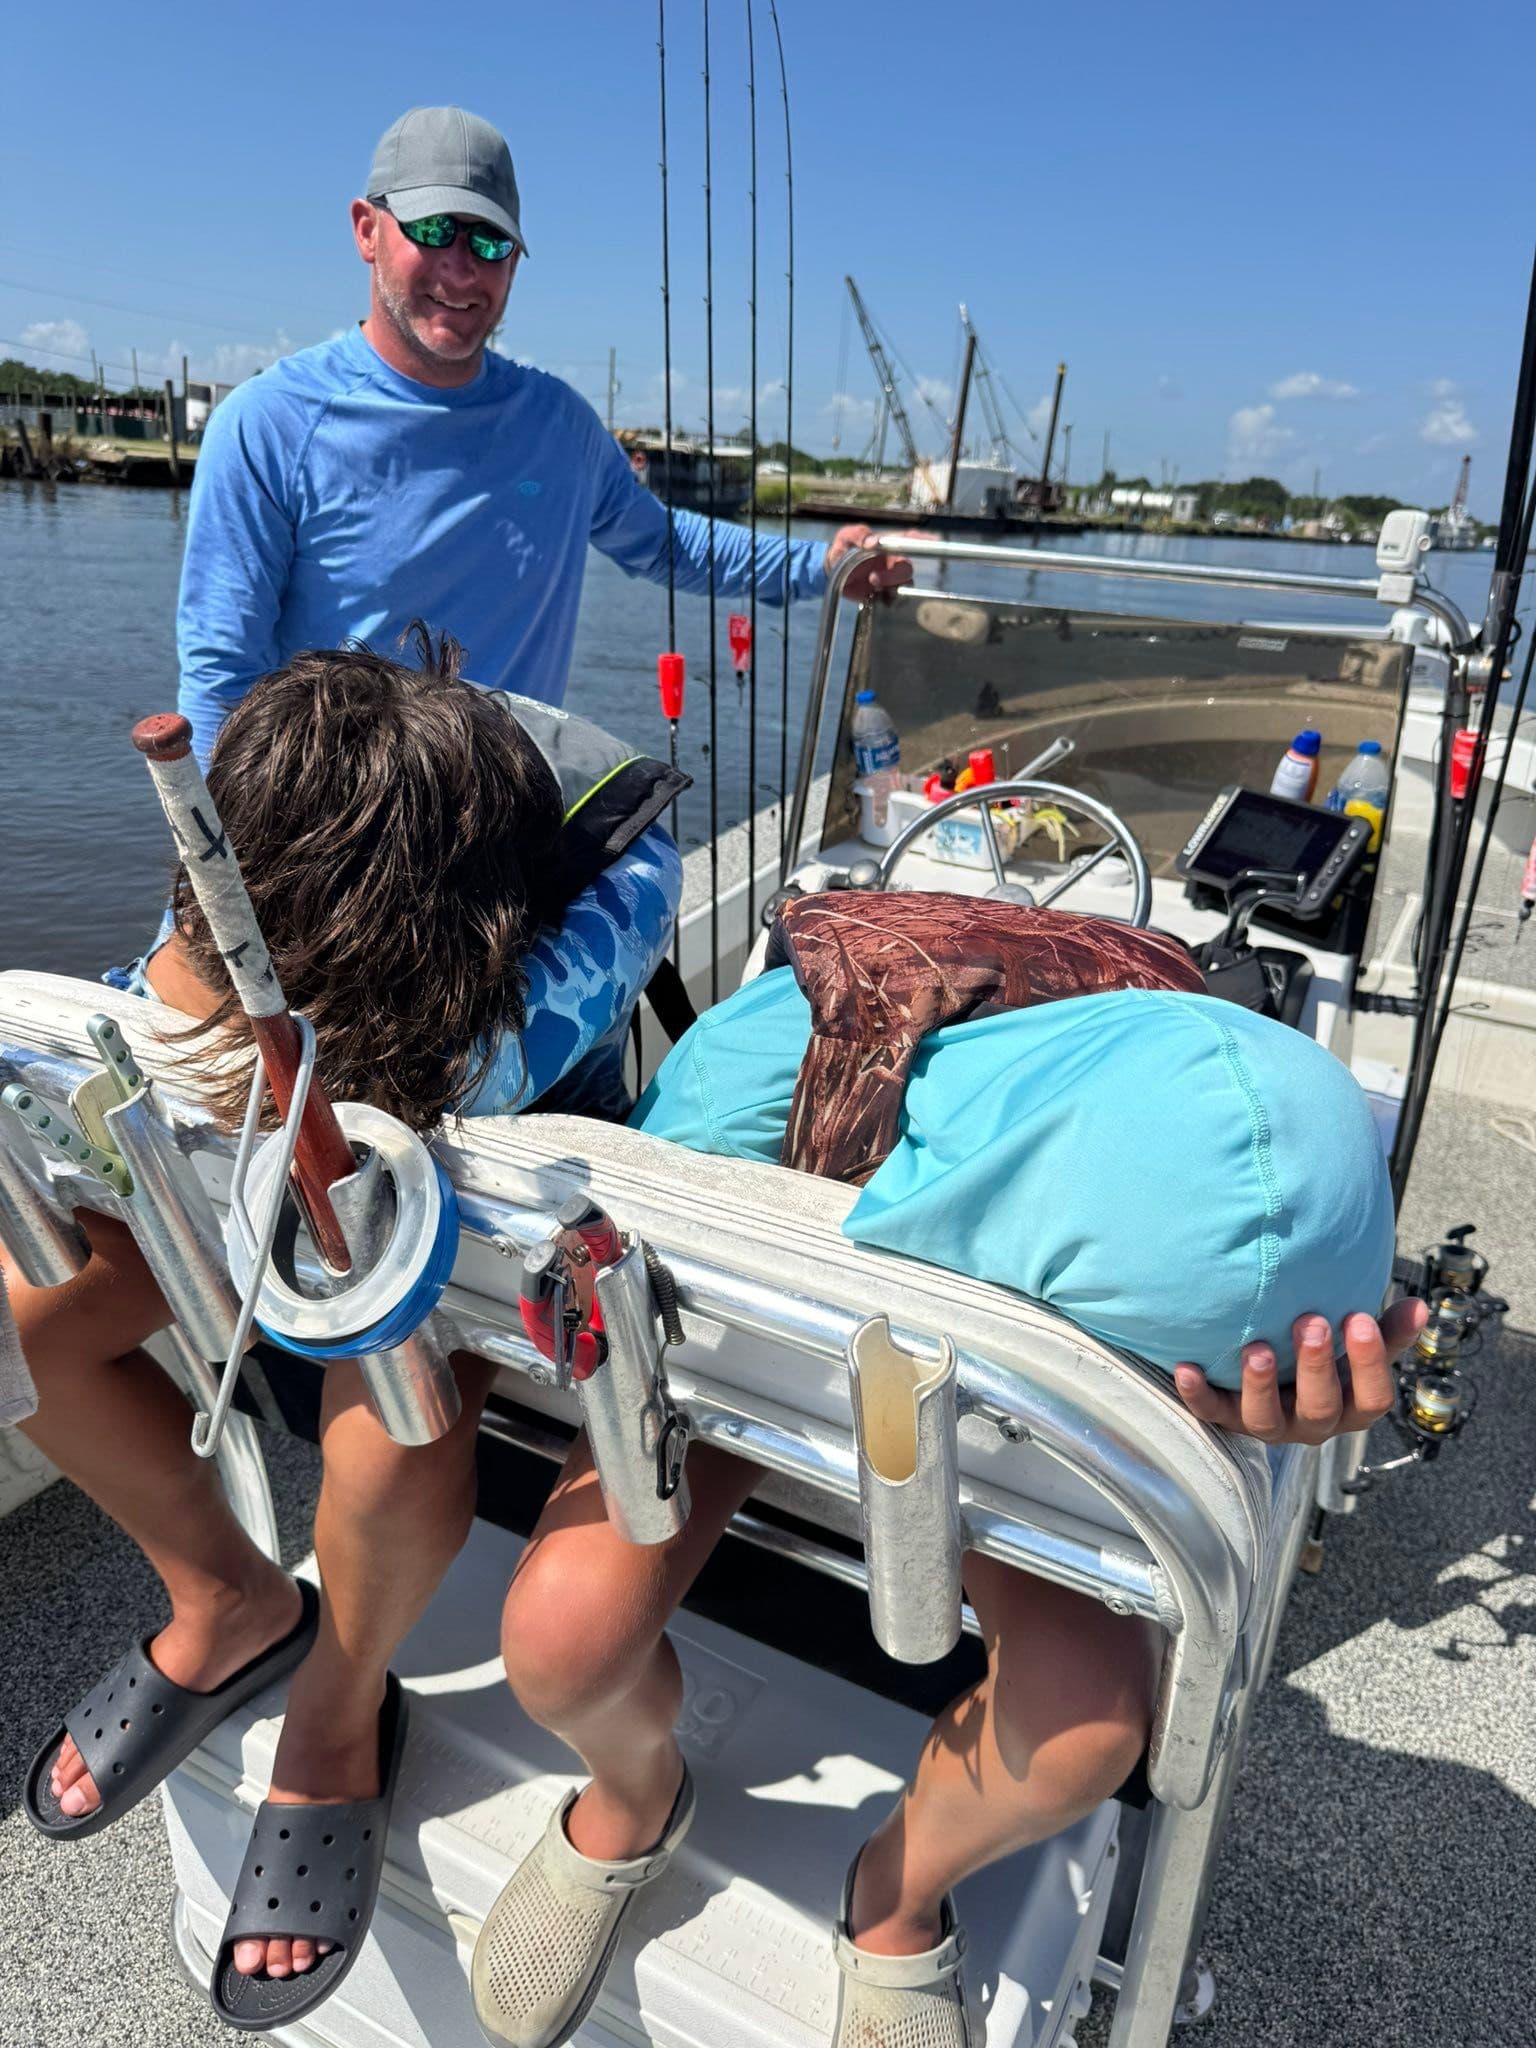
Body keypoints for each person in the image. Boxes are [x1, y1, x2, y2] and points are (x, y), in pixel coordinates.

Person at [468, 937, 1420, 2048]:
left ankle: (898, 1890)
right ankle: (631, 1792)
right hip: (750, 1335)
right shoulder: (753, 1069)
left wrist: (1244, 1419)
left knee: (1080, 1724)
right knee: (560, 1637)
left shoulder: (1155, 1172)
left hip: (1004, 1407)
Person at [13, 632, 685, 2025]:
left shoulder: (624, 883)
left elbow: (461, 1084)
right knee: (24, 1320)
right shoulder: (255, 820)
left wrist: (306, 1072)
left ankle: (338, 1700)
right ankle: (228, 1598)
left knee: (390, 1401)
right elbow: (169, 1011)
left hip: (469, 1173)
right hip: (264, 1133)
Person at [177, 102, 909, 767]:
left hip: (507, 823)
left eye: (491, 241)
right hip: (339, 832)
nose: (462, 267)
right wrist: (217, 863)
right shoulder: (267, 425)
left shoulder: (560, 424)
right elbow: (220, 677)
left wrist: (824, 567)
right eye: (432, 229)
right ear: (367, 230)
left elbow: (665, 544)